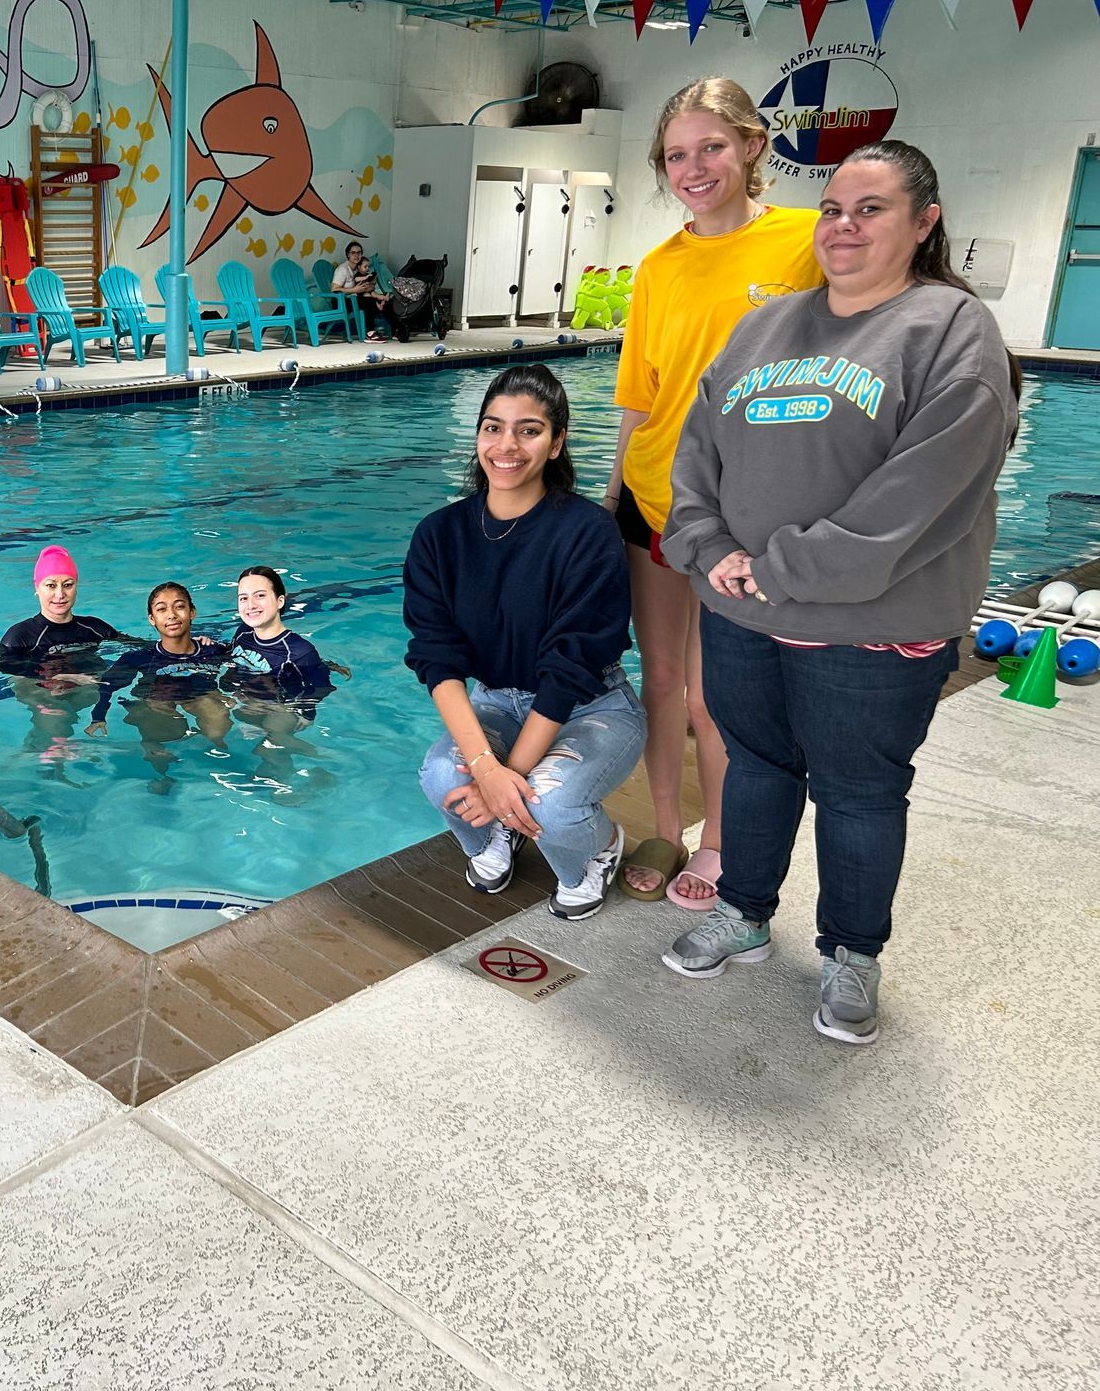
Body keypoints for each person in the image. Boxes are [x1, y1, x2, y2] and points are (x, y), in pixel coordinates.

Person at [660, 140, 1015, 1045]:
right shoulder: (765, 327)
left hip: (871, 626)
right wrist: (707, 545)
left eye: (871, 209)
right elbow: (697, 449)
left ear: (924, 222)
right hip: (741, 610)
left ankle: (853, 953)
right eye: (832, 209)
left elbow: (922, 495)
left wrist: (776, 567)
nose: (843, 226)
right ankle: (743, 913)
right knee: (758, 766)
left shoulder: (947, 330)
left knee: (859, 793)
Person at [606, 77, 824, 913]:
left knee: (714, 693)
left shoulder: (805, 241)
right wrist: (612, 496)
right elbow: (639, 392)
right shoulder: (659, 266)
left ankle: (721, 840)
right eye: (675, 156)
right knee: (659, 679)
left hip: (748, 507)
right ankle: (665, 826)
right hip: (656, 497)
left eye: (710, 148)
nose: (693, 168)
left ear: (753, 147)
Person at [409, 364, 645, 919]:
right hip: (497, 699)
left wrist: (503, 777)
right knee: (445, 773)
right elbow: (436, 659)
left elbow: (570, 669)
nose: (506, 445)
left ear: (557, 441)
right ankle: (498, 834)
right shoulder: (440, 535)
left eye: (529, 430)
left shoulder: (587, 531)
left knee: (552, 800)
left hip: (590, 706)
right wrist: (488, 771)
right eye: (493, 428)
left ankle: (601, 849)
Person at [86, 581, 234, 789]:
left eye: (179, 606)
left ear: (192, 612)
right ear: (152, 619)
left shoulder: (214, 650)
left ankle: (215, 766)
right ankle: (162, 773)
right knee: (158, 726)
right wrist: (98, 716)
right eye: (162, 609)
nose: (171, 615)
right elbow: (107, 685)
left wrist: (236, 693)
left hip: (201, 694)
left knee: (217, 725)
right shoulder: (139, 658)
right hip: (157, 698)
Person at [0, 545, 134, 766]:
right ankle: (46, 757)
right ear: (37, 588)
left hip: (86, 690)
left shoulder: (96, 628)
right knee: (54, 715)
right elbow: (13, 675)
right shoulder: (19, 637)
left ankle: (46, 754)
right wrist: (58, 680)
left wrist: (192, 644)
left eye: (67, 585)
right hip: (43, 694)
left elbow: (140, 647)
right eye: (51, 585)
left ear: (76, 587)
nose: (60, 594)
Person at [227, 565, 349, 789]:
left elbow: (319, 690)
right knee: (264, 753)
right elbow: (233, 660)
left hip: (290, 708)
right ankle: (287, 786)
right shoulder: (242, 633)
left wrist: (277, 707)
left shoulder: (299, 652)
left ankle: (330, 761)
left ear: (280, 601)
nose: (250, 605)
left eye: (260, 596)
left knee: (272, 742)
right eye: (243, 598)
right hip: (254, 703)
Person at [332, 241, 392, 341]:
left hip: (356, 298)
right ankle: (370, 333)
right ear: (348, 255)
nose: (356, 255)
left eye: (359, 253)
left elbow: (365, 286)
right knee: (369, 302)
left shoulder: (360, 269)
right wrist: (353, 290)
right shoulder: (343, 269)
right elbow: (334, 289)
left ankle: (396, 330)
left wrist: (371, 286)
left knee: (386, 301)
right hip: (342, 301)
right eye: (353, 253)